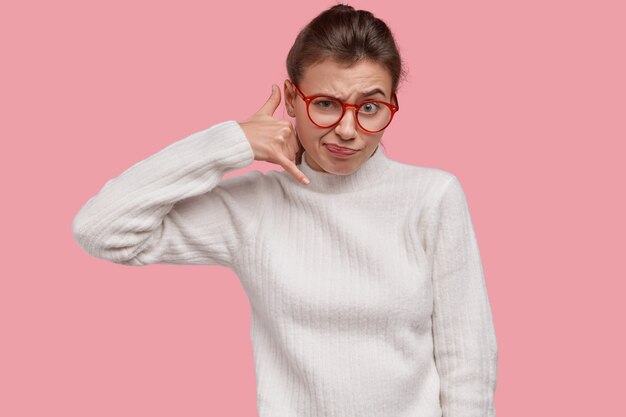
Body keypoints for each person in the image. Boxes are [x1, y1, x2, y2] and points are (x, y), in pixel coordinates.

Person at [72, 3, 498, 417]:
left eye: (370, 107)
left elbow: (467, 361)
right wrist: (232, 143)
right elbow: (101, 228)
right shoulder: (255, 207)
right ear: (292, 99)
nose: (348, 130)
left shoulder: (432, 196)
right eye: (326, 104)